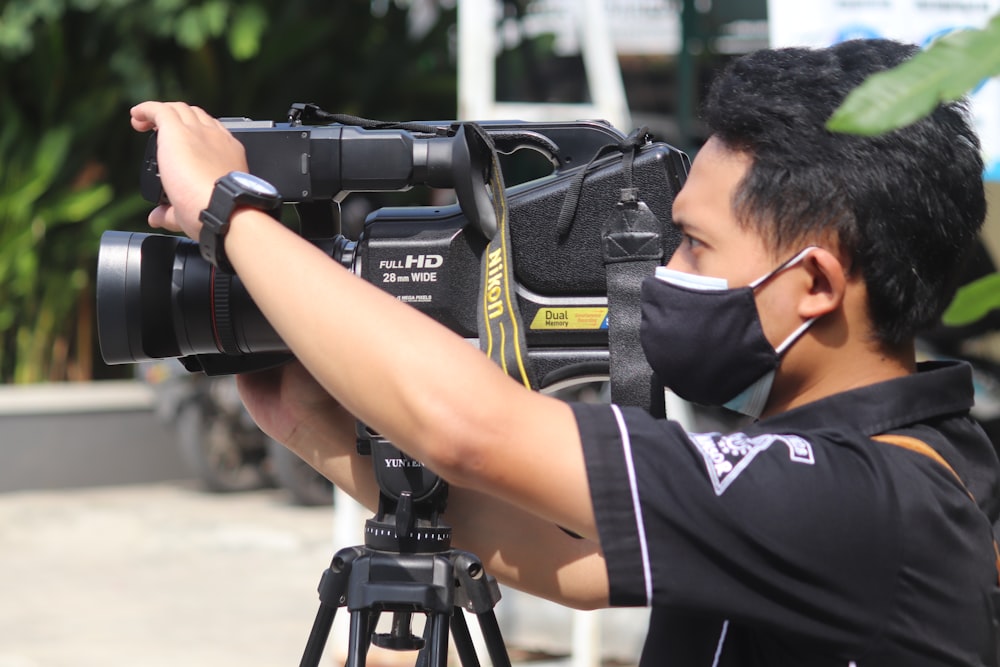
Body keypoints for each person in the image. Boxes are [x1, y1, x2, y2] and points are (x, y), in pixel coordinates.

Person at [130, 38, 1000, 665]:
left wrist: (228, 208)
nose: (666, 268)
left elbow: (473, 427)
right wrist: (310, 427)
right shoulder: (897, 464)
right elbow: (570, 561)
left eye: (694, 244)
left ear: (812, 286)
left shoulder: (854, 496)